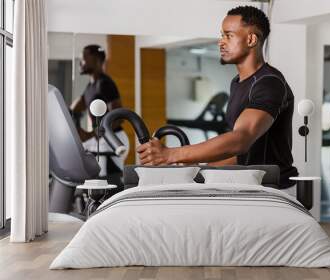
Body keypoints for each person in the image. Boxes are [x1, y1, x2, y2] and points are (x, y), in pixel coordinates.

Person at [137, 6, 298, 194]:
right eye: (221, 35)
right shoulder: (238, 83)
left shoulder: (269, 82)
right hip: (249, 184)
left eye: (229, 36)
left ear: (251, 39)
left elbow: (241, 140)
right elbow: (240, 154)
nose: (221, 42)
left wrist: (171, 154)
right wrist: (198, 167)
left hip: (274, 188)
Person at [70, 44, 129, 176]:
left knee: (104, 180)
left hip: (113, 138)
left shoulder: (105, 84)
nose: (81, 62)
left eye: (84, 58)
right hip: (100, 138)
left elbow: (118, 118)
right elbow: (74, 108)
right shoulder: (91, 86)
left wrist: (90, 134)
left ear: (96, 60)